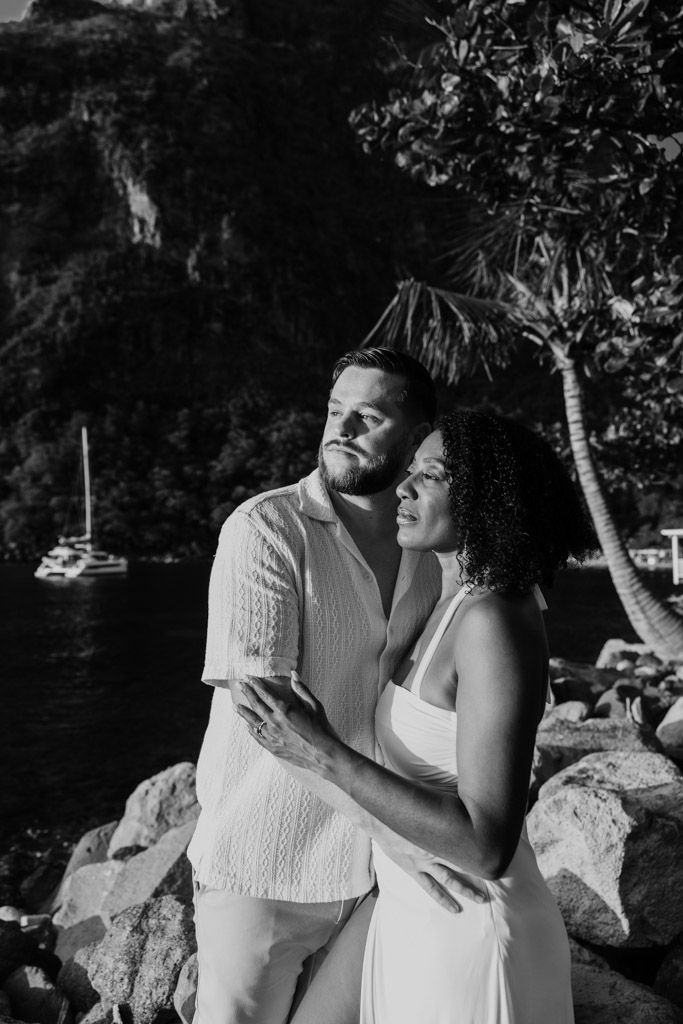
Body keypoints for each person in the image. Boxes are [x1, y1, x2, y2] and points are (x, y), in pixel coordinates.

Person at [237, 409, 597, 1024]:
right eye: (410, 471)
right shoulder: (447, 601)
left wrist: (323, 753)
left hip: (471, 928)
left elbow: (487, 845)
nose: (402, 488)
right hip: (411, 907)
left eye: (430, 476)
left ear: (488, 499)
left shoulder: (494, 621)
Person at [188, 350, 483, 1024]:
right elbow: (269, 714)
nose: (340, 428)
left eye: (367, 416)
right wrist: (398, 834)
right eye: (333, 410)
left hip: (387, 872)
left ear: (415, 438)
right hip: (266, 863)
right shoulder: (264, 529)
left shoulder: (431, 544)